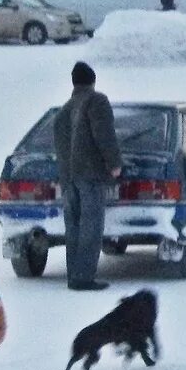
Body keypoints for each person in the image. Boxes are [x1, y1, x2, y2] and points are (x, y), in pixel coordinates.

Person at [54, 61, 123, 291]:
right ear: (92, 81)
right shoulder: (96, 101)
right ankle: (84, 277)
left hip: (68, 176)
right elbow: (104, 134)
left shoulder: (64, 110)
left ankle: (73, 274)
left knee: (73, 225)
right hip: (90, 174)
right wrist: (114, 164)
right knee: (91, 226)